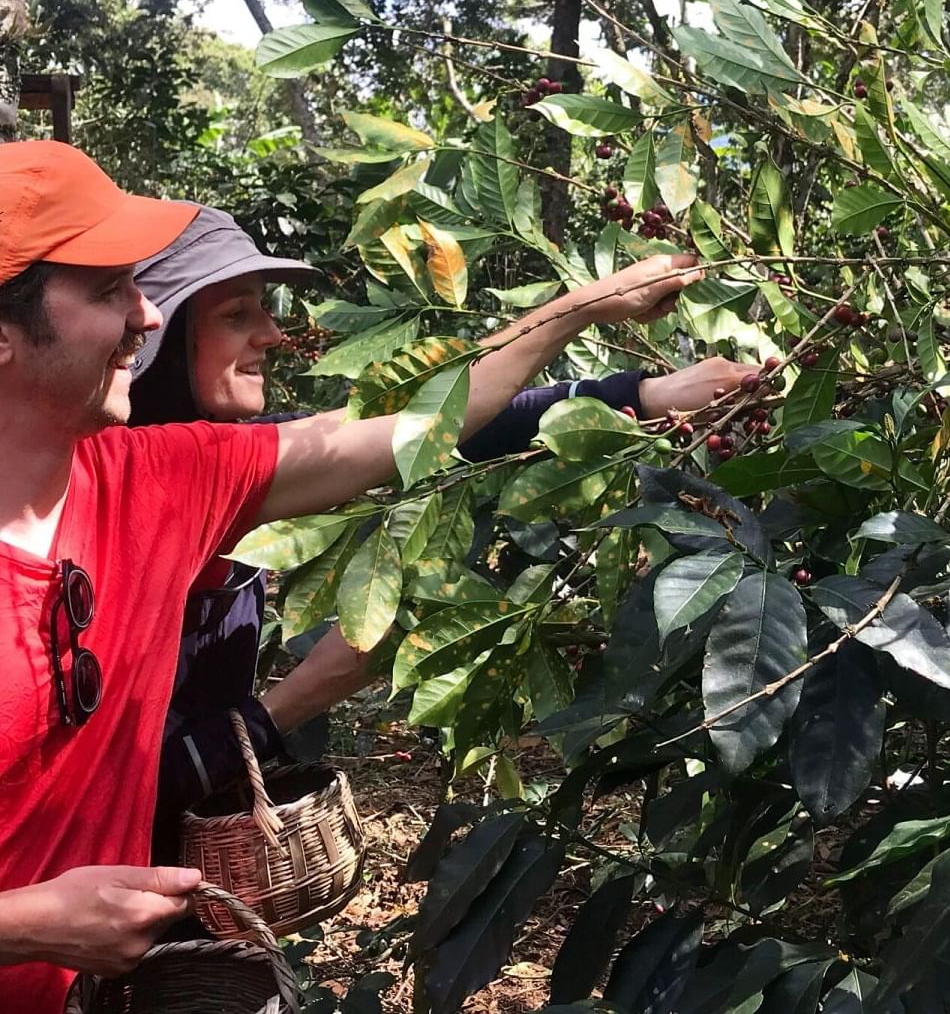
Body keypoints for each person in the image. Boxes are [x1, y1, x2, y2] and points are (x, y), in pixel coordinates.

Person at [0, 139, 702, 1014]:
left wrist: (586, 313)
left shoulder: (159, 477)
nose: (143, 317)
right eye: (108, 291)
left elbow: (410, 426)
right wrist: (23, 925)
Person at [122, 206, 761, 856]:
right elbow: (111, 789)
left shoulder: (219, 461)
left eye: (264, 309)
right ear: (161, 338)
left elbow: (429, 425)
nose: (272, 333)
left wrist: (643, 395)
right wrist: (303, 695)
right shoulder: (130, 496)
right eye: (236, 314)